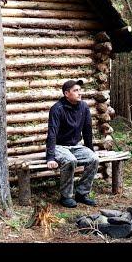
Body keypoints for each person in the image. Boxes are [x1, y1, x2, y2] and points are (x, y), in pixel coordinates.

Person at [46, 79, 100, 208]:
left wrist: (90, 150)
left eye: (80, 90)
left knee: (94, 159)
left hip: (76, 146)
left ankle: (82, 194)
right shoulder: (57, 109)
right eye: (76, 90)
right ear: (66, 93)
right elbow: (52, 133)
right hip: (59, 146)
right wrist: (50, 157)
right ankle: (66, 196)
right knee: (70, 161)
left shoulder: (84, 107)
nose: (79, 93)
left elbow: (87, 131)